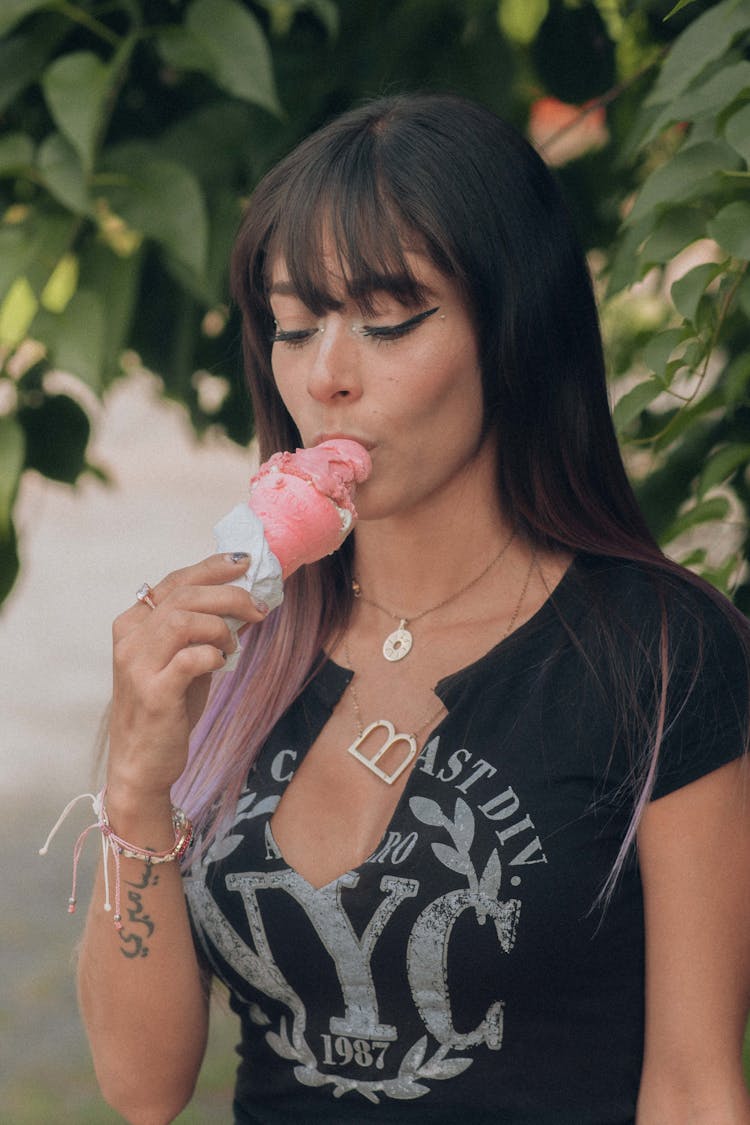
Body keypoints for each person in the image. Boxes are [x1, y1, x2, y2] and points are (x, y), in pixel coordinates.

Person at [76, 93, 750, 1124]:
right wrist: (136, 783)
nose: (327, 376)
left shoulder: (659, 652)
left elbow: (696, 1087)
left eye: (388, 322)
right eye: (293, 327)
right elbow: (141, 1087)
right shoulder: (240, 646)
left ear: (512, 327)